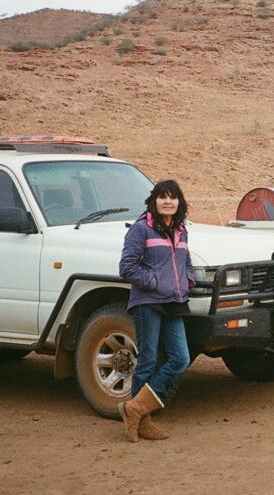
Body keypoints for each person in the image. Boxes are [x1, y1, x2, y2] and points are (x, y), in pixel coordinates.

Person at [117, 180, 194, 442]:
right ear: (154, 201)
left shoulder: (181, 230)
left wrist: (187, 281)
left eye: (173, 197)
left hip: (174, 301)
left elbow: (186, 261)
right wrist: (155, 283)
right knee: (148, 359)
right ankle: (143, 421)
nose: (168, 202)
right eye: (162, 197)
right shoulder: (141, 230)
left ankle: (136, 408)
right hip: (148, 302)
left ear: (179, 202)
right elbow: (127, 267)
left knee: (180, 358)